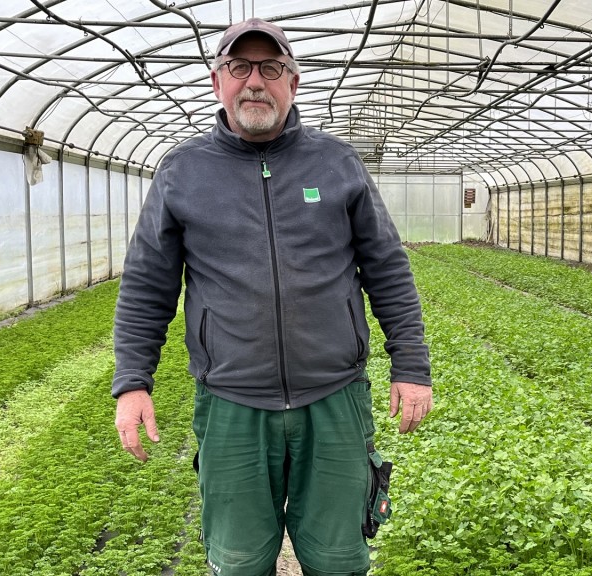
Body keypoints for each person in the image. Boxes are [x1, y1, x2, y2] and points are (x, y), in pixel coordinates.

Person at [111, 17, 433, 576]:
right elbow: (147, 284)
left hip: (333, 399)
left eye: (271, 68)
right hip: (232, 403)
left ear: (294, 82)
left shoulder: (336, 163)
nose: (254, 82)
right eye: (240, 67)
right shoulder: (182, 172)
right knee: (237, 562)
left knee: (339, 560)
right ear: (218, 82)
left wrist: (412, 364)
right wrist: (132, 382)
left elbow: (387, 268)